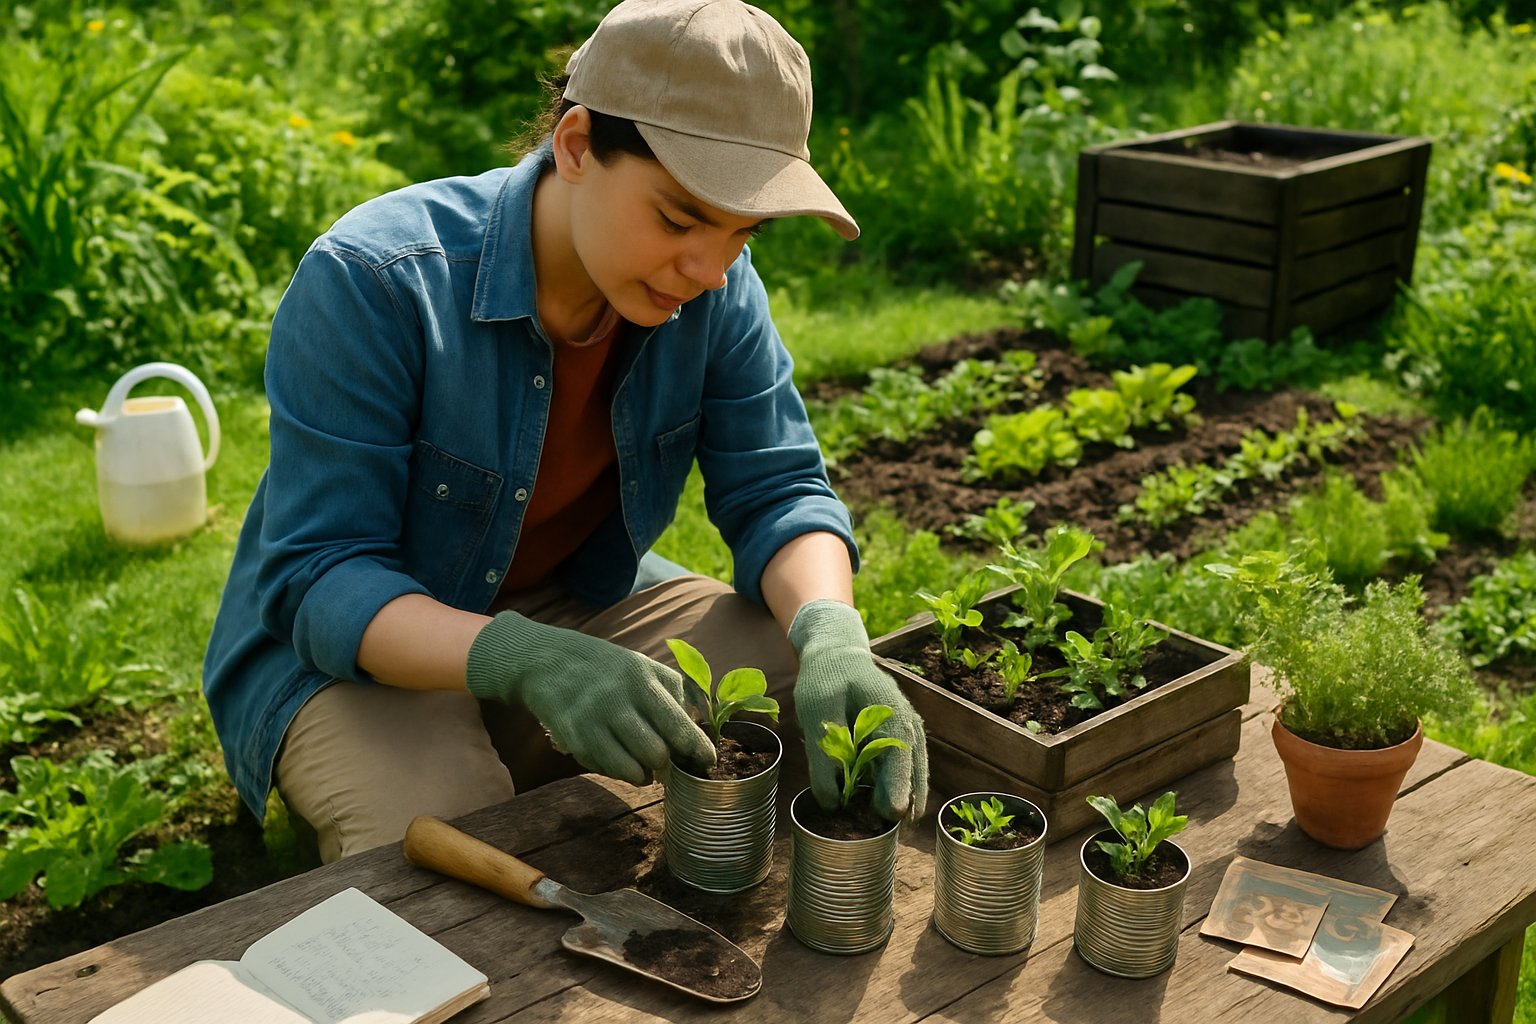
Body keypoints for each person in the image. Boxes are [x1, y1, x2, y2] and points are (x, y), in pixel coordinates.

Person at [203, 0, 927, 864]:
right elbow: (322, 578)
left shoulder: (717, 288)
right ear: (578, 145)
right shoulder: (376, 282)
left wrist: (833, 636)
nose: (708, 269)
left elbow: (778, 487)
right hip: (350, 652)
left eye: (744, 231)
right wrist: (523, 659)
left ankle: (531, 741)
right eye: (680, 217)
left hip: (570, 602)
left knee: (795, 669)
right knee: (443, 832)